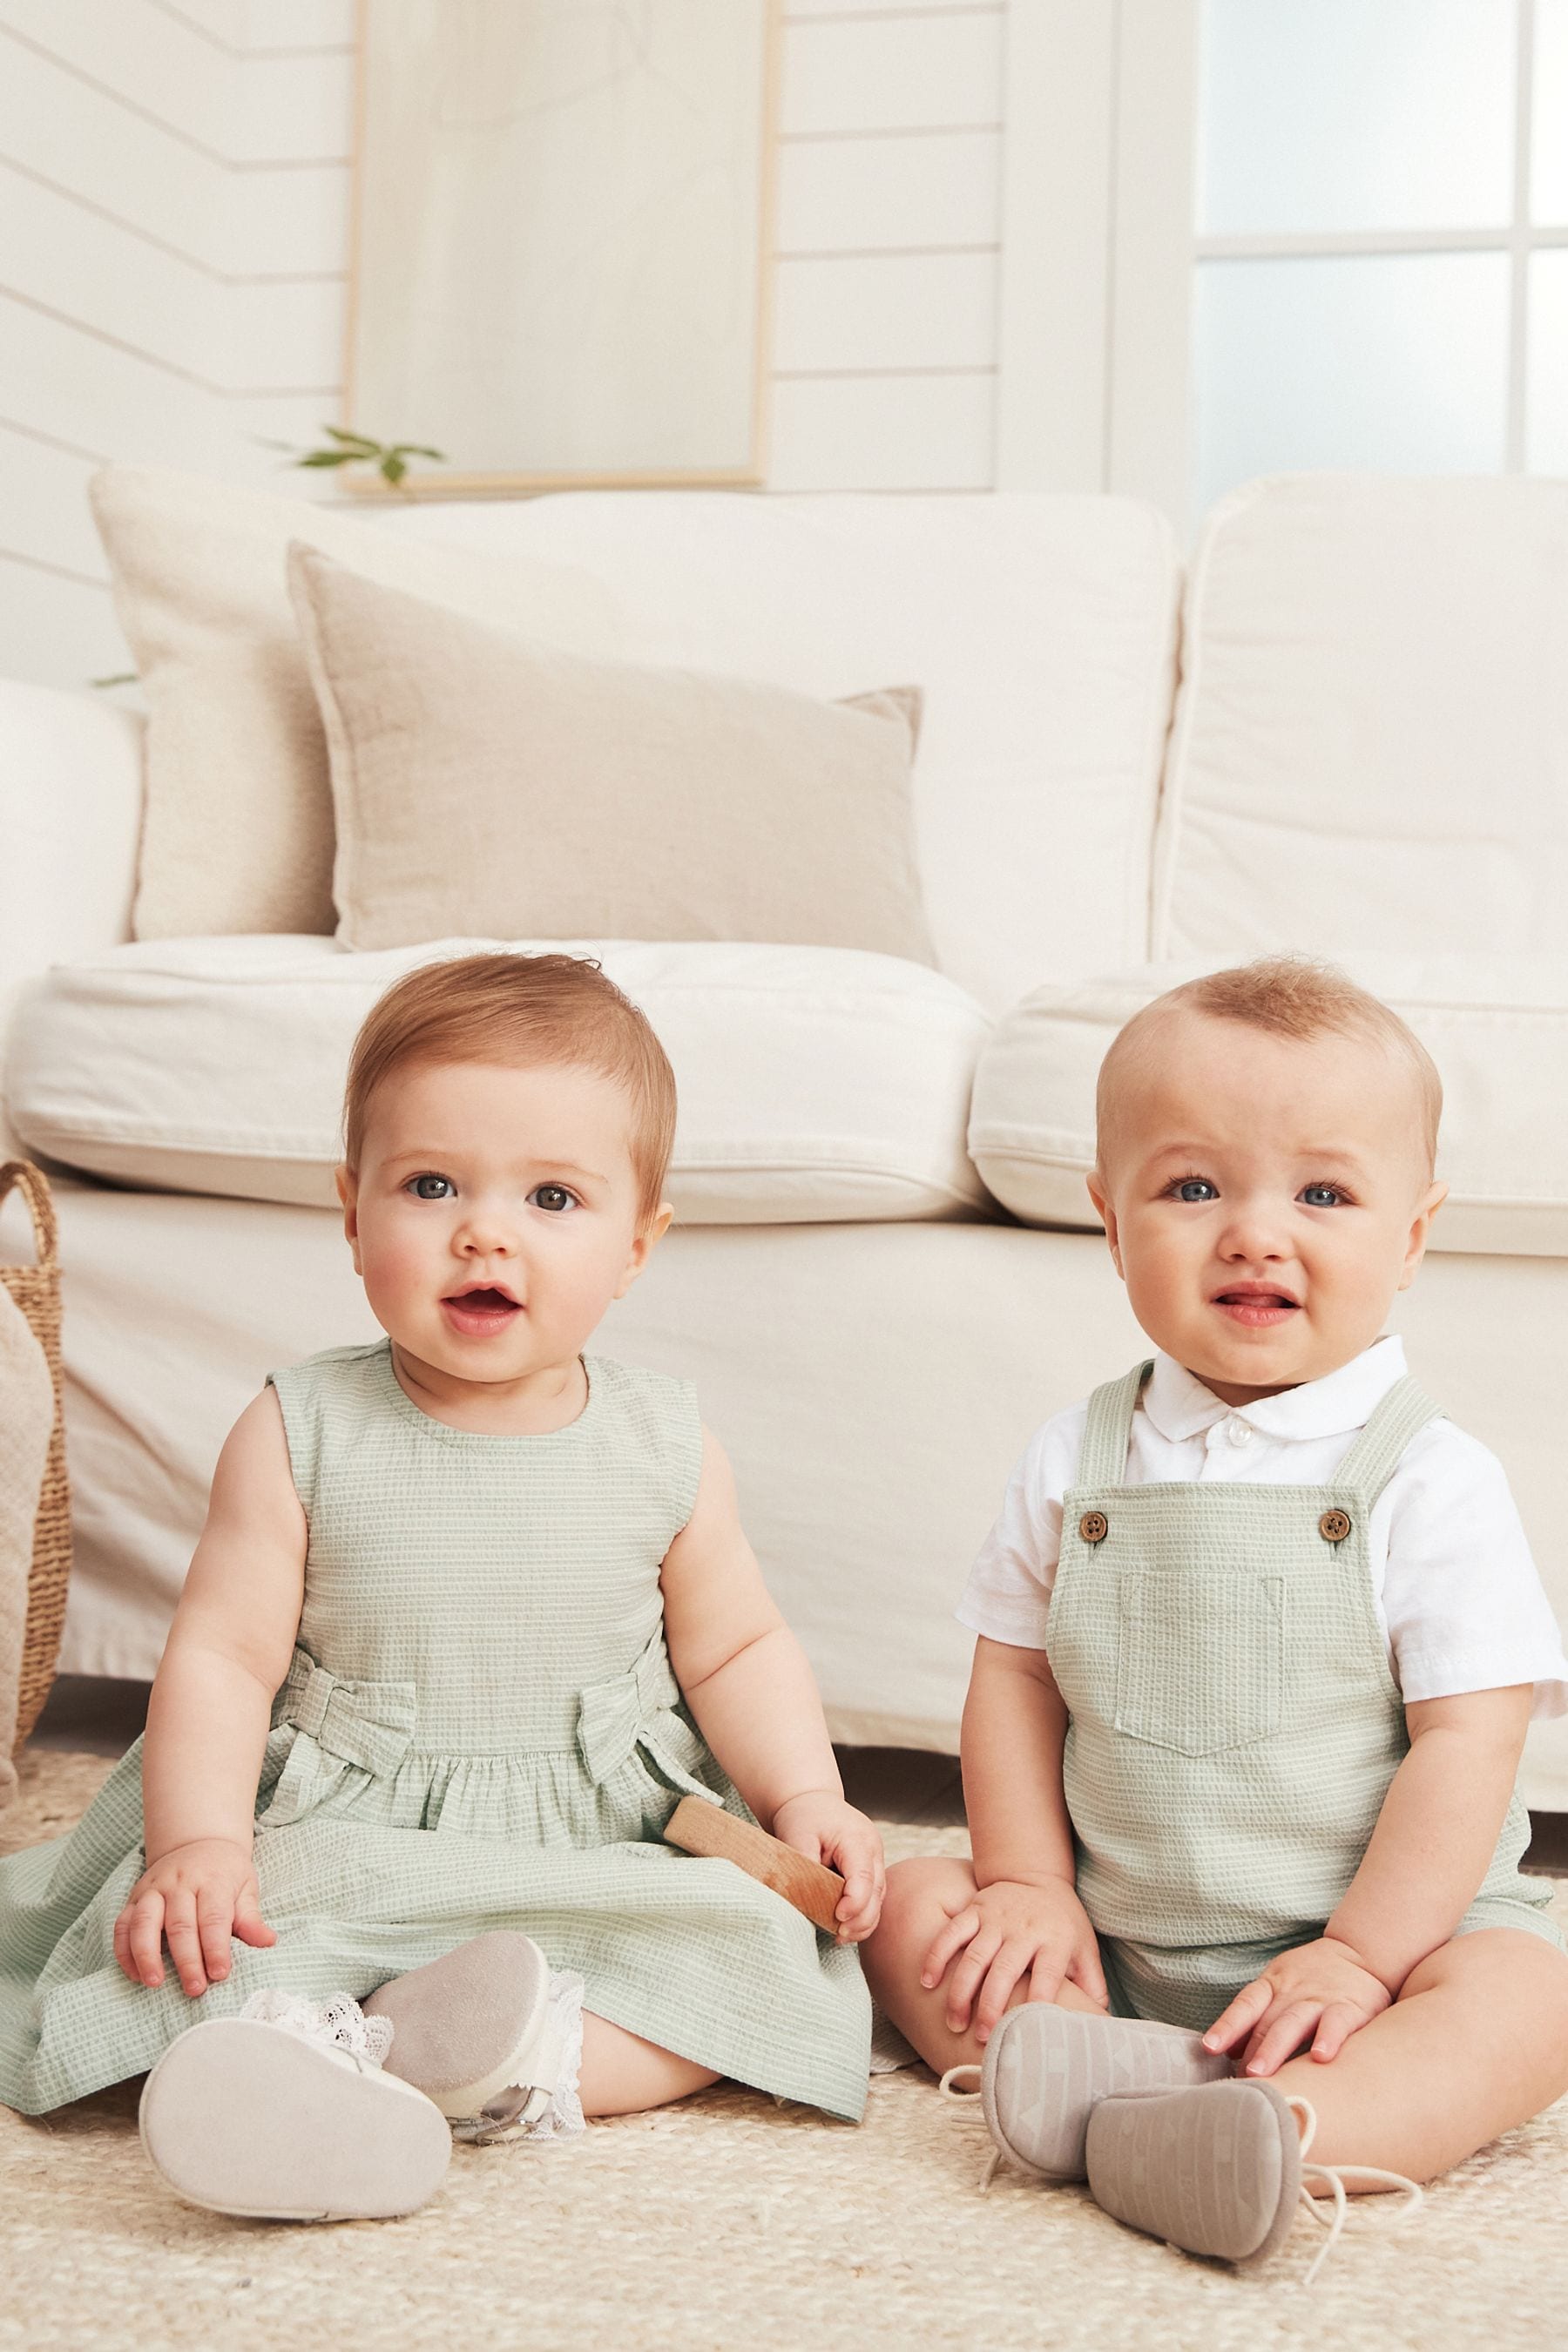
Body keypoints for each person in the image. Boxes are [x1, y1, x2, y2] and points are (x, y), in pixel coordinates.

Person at [0, 953, 882, 2220]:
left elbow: (737, 1648)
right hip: (353, 1824)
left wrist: (806, 1796)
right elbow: (224, 1659)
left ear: (638, 1244)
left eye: (553, 1198)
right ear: (352, 1213)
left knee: (765, 1961)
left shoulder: (664, 1442)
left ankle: (490, 2062)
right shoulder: (301, 1427)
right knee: (198, 1952)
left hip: (598, 1828)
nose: (487, 1230)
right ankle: (317, 2049)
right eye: (431, 1185)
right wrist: (203, 1844)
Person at [864, 957, 1568, 2273]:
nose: (1255, 1232)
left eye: (1323, 1194)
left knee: (1531, 2003)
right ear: (1111, 1221)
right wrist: (1026, 1888)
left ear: (1411, 1235)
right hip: (1115, 1941)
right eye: (1193, 1188)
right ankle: (1119, 2073)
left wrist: (1360, 1960)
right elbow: (1014, 1679)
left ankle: (1284, 2123)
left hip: (1376, 1959)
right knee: (915, 1899)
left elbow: (1469, 1744)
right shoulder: (1074, 1456)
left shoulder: (1431, 1479)